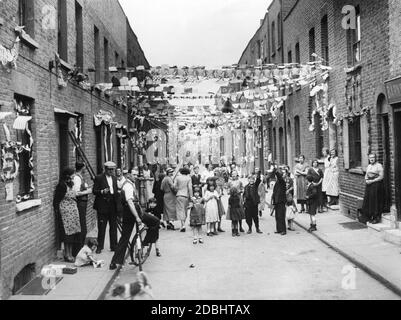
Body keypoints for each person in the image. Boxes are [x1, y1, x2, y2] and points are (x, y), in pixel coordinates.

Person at [110, 173, 160, 270]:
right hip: (133, 212)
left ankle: (114, 262)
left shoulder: (127, 184)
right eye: (134, 175)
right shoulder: (128, 186)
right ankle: (146, 241)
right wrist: (137, 217)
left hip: (128, 213)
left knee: (124, 237)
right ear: (128, 176)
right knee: (155, 221)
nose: (136, 176)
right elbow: (130, 202)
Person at [53, 168, 82, 262]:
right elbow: (56, 200)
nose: (74, 176)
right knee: (67, 235)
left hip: (73, 212)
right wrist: (57, 211)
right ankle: (67, 254)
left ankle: (70, 253)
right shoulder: (61, 185)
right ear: (67, 175)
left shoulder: (70, 184)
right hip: (66, 213)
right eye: (72, 175)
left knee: (72, 233)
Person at [93, 161, 119, 254]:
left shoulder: (115, 178)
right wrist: (102, 192)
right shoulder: (99, 178)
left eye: (113, 169)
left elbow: (115, 190)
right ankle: (100, 247)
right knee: (102, 227)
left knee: (113, 226)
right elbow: (94, 191)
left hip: (113, 204)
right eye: (109, 169)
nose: (111, 171)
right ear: (105, 169)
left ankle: (114, 246)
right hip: (102, 205)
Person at [73, 161, 92, 251]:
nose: (85, 169)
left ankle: (80, 246)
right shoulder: (77, 178)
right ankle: (79, 248)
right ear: (82, 168)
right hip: (80, 204)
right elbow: (76, 193)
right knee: (82, 226)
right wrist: (87, 191)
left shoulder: (80, 177)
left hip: (83, 204)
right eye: (84, 167)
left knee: (83, 226)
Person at [361, 154, 384, 224]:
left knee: (375, 200)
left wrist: (372, 181)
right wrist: (366, 180)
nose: (371, 159)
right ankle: (369, 216)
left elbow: (381, 177)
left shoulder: (379, 166)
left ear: (375, 158)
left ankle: (376, 217)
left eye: (373, 157)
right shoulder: (369, 166)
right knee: (368, 200)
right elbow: (366, 175)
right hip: (369, 185)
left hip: (376, 185)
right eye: (370, 158)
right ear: (368, 158)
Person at [174, 167, 193, 232]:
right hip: (186, 195)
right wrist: (191, 196)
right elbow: (190, 188)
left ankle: (182, 225)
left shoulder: (178, 177)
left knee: (180, 210)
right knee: (185, 210)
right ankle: (183, 224)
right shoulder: (188, 178)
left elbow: (174, 186)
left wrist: (177, 189)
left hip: (179, 195)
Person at [272, 167, 287, 236]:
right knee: (277, 216)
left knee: (281, 216)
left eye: (277, 176)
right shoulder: (277, 182)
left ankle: (283, 230)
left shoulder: (282, 182)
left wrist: (275, 171)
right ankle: (279, 229)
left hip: (281, 201)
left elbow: (279, 177)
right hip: (277, 201)